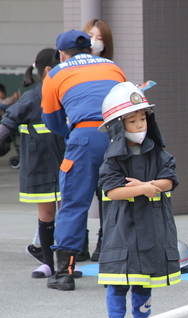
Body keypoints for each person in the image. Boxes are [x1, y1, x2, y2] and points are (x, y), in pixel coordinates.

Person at [41, 29, 126, 291]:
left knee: (74, 202)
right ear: (90, 49)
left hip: (85, 137)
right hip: (117, 135)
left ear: (62, 54)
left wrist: (73, 133)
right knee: (116, 200)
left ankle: (64, 274)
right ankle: (114, 271)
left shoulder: (55, 73)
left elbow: (53, 121)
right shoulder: (114, 67)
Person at [97, 82, 181, 318]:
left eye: (143, 118)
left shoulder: (159, 153)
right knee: (120, 279)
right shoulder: (112, 159)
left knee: (145, 279)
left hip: (152, 225)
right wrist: (149, 189)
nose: (140, 125)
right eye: (132, 120)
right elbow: (112, 191)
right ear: (118, 127)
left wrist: (145, 187)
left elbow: (169, 180)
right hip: (123, 227)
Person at [0, 49, 65, 278]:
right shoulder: (31, 97)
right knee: (47, 213)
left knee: (68, 211)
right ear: (49, 70)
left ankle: (68, 262)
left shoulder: (68, 94)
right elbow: (8, 122)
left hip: (66, 162)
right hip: (39, 164)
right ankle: (48, 263)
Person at [82, 19, 116, 262]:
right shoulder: (69, 68)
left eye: (99, 38)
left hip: (105, 135)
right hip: (78, 136)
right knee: (76, 192)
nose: (94, 41)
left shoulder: (111, 68)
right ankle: (78, 243)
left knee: (104, 190)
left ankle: (104, 240)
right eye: (90, 36)